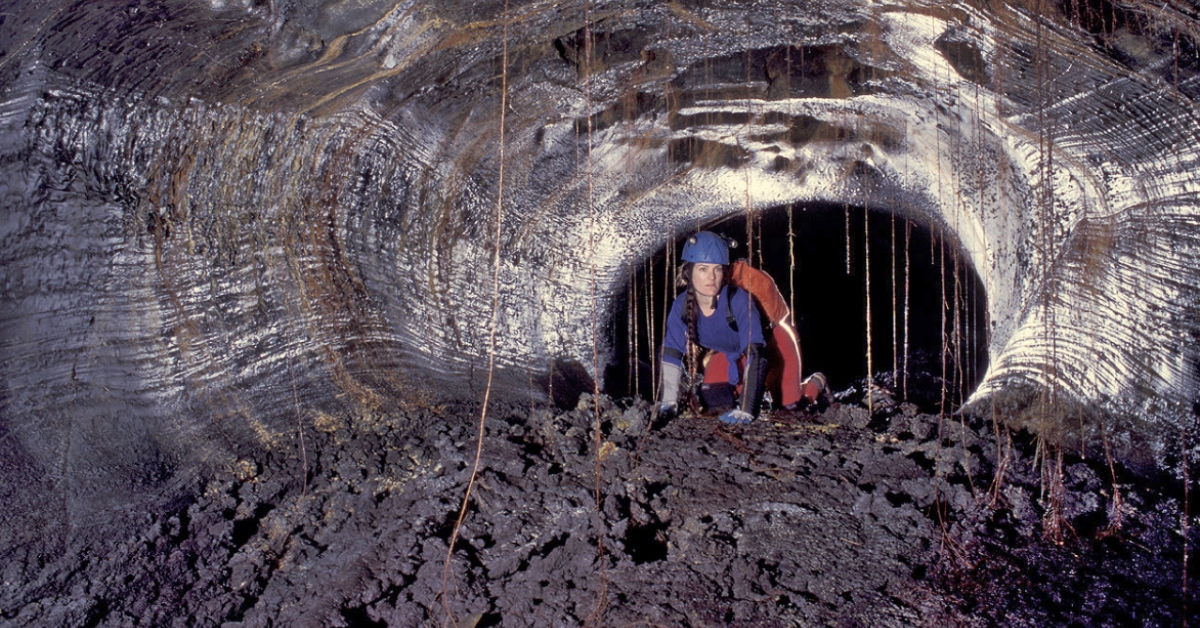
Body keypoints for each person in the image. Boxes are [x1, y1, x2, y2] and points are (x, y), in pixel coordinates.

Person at [657, 231, 827, 425]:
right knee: (714, 403)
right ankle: (750, 387)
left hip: (774, 346)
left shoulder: (738, 300)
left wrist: (747, 408)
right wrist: (668, 401)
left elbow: (755, 351)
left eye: (717, 269)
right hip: (733, 354)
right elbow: (672, 351)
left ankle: (816, 383)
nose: (711, 277)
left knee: (791, 411)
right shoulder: (681, 307)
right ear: (688, 272)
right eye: (703, 269)